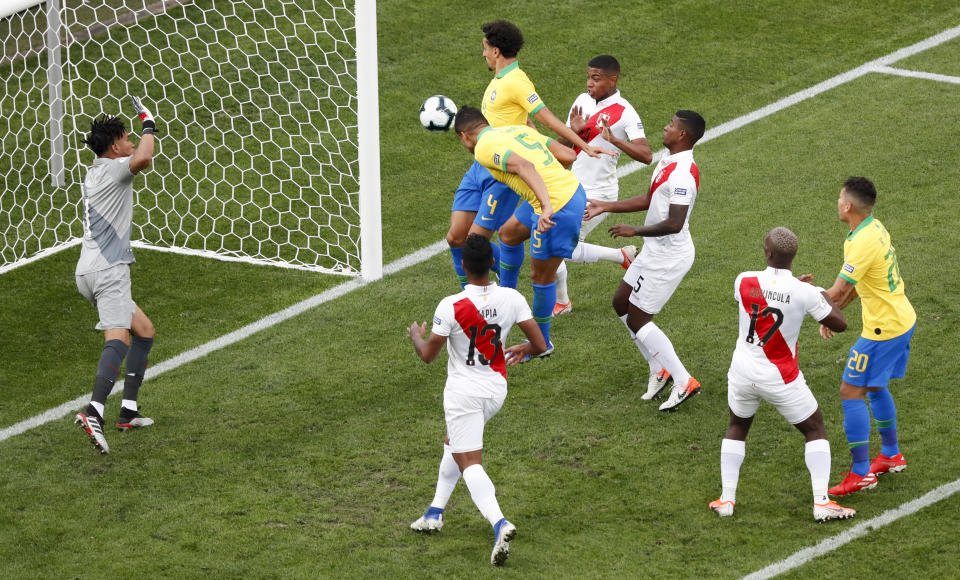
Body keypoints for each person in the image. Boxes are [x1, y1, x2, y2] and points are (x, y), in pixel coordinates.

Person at [407, 233, 547, 566]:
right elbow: (541, 345)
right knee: (452, 442)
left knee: (469, 461)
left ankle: (500, 523)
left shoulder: (451, 306)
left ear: (463, 265)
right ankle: (434, 512)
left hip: (463, 394)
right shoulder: (512, 298)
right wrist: (525, 348)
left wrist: (416, 336)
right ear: (494, 263)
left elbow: (428, 355)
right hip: (495, 390)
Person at [446, 20, 610, 289]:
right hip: (482, 163)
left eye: (485, 48)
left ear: (496, 50)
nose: (483, 54)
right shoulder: (499, 80)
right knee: (457, 238)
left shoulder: (517, 82)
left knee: (476, 242)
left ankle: (497, 295)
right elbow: (528, 126)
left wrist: (582, 143)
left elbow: (545, 117)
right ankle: (503, 282)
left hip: (504, 168)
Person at [709, 227, 856, 522]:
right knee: (814, 427)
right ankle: (822, 502)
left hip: (742, 371)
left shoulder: (743, 280)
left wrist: (795, 296)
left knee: (737, 424)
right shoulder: (805, 293)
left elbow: (760, 306)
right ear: (793, 256)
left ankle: (726, 499)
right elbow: (840, 324)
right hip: (780, 377)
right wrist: (816, 296)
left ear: (767, 252)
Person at [583, 111, 705, 411]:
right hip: (654, 249)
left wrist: (634, 229)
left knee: (639, 318)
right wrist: (606, 206)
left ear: (683, 136)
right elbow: (650, 200)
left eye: (672, 125)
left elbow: (675, 222)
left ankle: (683, 379)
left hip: (669, 255)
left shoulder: (682, 175)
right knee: (621, 303)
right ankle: (658, 367)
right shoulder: (668, 161)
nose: (665, 126)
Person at [808, 177, 916, 497]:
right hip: (898, 320)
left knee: (850, 390)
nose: (837, 203)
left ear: (848, 206)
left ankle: (860, 473)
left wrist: (814, 304)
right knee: (875, 385)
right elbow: (855, 286)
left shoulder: (863, 241)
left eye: (839, 198)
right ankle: (891, 454)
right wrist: (835, 311)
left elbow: (839, 289)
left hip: (885, 330)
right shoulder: (872, 228)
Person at [454, 106, 586, 359]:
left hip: (556, 206)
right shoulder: (513, 130)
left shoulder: (483, 148)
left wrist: (546, 206)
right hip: (565, 192)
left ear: (464, 135)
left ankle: (541, 344)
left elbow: (524, 165)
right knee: (508, 234)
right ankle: (506, 299)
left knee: (541, 278)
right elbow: (567, 155)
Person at [73, 98, 157, 455]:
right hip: (109, 270)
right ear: (114, 146)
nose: (132, 143)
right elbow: (144, 159)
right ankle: (94, 410)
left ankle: (129, 411)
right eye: (127, 138)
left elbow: (135, 157)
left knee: (143, 331)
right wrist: (149, 122)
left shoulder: (96, 171)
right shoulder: (115, 169)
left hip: (88, 270)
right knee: (119, 339)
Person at [553, 54, 653, 315]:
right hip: (571, 186)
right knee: (559, 245)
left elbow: (646, 155)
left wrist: (614, 140)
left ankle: (562, 303)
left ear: (612, 80)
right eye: (588, 76)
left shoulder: (625, 113)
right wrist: (574, 132)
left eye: (595, 79)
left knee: (556, 247)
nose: (589, 83)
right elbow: (564, 147)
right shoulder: (582, 101)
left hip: (598, 193)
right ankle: (621, 257)